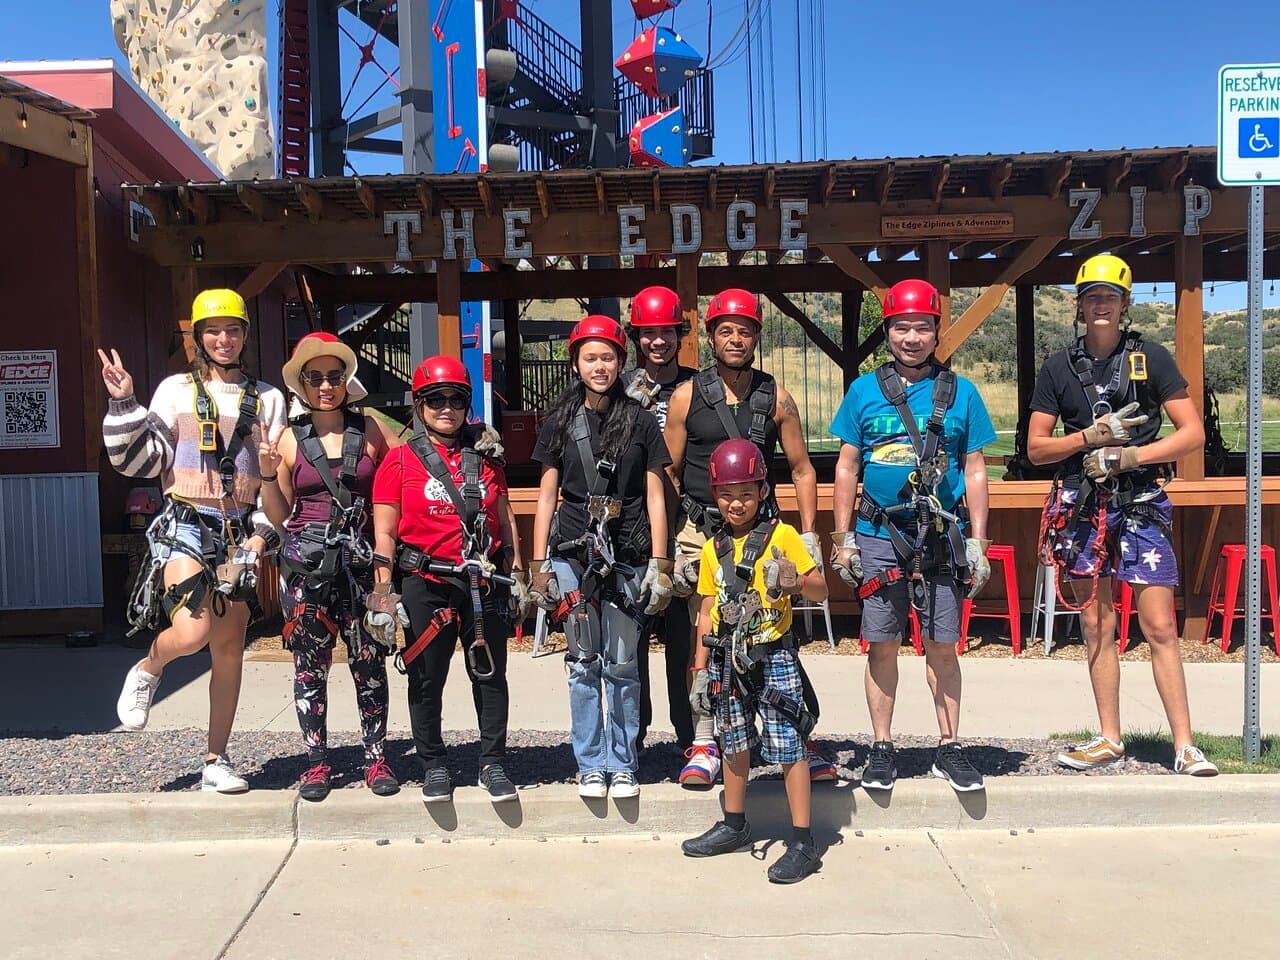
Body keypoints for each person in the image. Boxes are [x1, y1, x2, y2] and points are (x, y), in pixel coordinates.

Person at [1027, 254, 1218, 777]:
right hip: (1083, 505)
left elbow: (1191, 432)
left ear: (1125, 303)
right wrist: (1087, 438)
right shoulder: (1059, 367)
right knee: (1096, 624)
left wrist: (1131, 455)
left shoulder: (1150, 358)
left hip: (1139, 501)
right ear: (1079, 305)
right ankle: (1109, 737)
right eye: (1092, 296)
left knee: (1159, 624)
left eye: (1110, 297)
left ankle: (1185, 745)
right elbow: (1037, 448)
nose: (1101, 305)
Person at [101, 288, 287, 793]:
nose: (224, 339)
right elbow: (139, 463)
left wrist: (261, 536)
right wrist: (124, 403)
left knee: (229, 649)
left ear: (245, 335)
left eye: (232, 330)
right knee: (192, 631)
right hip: (185, 521)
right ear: (199, 339)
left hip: (239, 531)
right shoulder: (174, 391)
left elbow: (274, 480)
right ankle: (150, 667)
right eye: (213, 331)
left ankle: (216, 760)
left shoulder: (269, 399)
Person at [828, 278, 994, 794]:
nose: (912, 338)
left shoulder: (961, 393)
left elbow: (975, 469)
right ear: (888, 332)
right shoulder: (864, 391)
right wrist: (842, 539)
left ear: (936, 333)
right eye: (902, 328)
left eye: (922, 328)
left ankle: (949, 746)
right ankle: (882, 746)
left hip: (941, 534)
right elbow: (847, 466)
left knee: (943, 645)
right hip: (879, 533)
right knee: (882, 643)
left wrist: (978, 543)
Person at [663, 288, 833, 788]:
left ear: (757, 337)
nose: (735, 339)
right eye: (726, 331)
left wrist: (808, 536)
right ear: (711, 337)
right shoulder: (686, 396)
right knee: (705, 631)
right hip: (701, 529)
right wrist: (670, 543)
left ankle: (795, 733)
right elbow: (669, 471)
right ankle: (705, 739)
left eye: (745, 331)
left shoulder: (776, 397)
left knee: (775, 632)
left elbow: (802, 469)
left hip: (763, 533)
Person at [371, 355, 529, 805]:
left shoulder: (486, 457)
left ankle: (492, 762)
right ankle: (433, 763)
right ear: (419, 405)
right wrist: (382, 592)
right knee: (426, 676)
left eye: (456, 400)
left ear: (467, 405)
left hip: (482, 579)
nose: (446, 408)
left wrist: (519, 573)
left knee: (490, 673)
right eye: (435, 399)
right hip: (426, 579)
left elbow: (504, 517)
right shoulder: (400, 462)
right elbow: (385, 532)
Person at [528, 315, 674, 799]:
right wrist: (538, 564)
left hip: (628, 552)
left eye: (608, 357)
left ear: (621, 362)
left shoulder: (641, 421)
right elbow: (546, 495)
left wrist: (661, 562)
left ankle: (624, 762)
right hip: (573, 555)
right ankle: (591, 763)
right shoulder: (559, 421)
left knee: (623, 663)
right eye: (590, 357)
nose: (599, 366)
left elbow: (655, 495)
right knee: (582, 661)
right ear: (575, 363)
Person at [257, 332, 403, 801]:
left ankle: (376, 758)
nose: (325, 386)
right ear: (302, 383)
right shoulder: (288, 440)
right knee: (309, 668)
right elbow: (279, 514)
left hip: (363, 567)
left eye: (334, 377)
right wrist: (266, 474)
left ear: (346, 381)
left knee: (369, 663)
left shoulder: (372, 429)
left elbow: (409, 467)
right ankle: (316, 762)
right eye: (315, 377)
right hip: (308, 568)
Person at [681, 438, 828, 884]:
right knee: (733, 739)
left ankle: (802, 840)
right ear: (715, 495)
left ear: (762, 491)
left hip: (773, 653)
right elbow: (707, 609)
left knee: (788, 742)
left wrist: (794, 581)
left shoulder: (782, 537)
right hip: (727, 657)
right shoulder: (714, 548)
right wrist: (700, 669)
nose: (736, 503)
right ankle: (734, 823)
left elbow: (820, 589)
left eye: (746, 493)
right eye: (727, 494)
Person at [622, 285, 697, 756]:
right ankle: (635, 733)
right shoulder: (618, 387)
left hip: (686, 522)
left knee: (684, 638)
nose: (658, 342)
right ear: (636, 337)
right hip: (633, 524)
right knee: (632, 635)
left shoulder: (700, 385)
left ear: (679, 334)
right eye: (648, 333)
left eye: (666, 332)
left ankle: (691, 734)